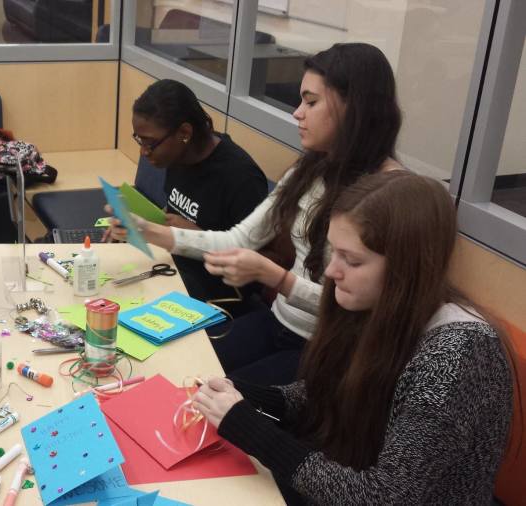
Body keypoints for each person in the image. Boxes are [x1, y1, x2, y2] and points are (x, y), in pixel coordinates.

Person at [192, 171, 514, 505]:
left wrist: (248, 427)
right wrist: (248, 395)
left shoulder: (456, 356)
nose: (331, 271)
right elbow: (334, 393)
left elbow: (383, 496)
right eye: (335, 252)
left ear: (407, 267)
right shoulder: (376, 305)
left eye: (352, 259)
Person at [111, 43, 403, 385]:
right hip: (277, 322)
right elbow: (240, 239)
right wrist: (154, 232)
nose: (297, 112)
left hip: (326, 350)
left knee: (207, 396)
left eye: (311, 102)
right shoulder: (312, 168)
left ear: (354, 107)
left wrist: (276, 277)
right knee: (172, 370)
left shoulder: (392, 191)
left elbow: (367, 305)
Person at [130, 79, 268, 314]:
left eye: (150, 143)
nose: (143, 152)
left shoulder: (241, 177)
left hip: (215, 294)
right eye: (139, 140)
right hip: (171, 267)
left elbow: (261, 262)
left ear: (184, 133)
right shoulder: (178, 157)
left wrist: (198, 234)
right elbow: (174, 211)